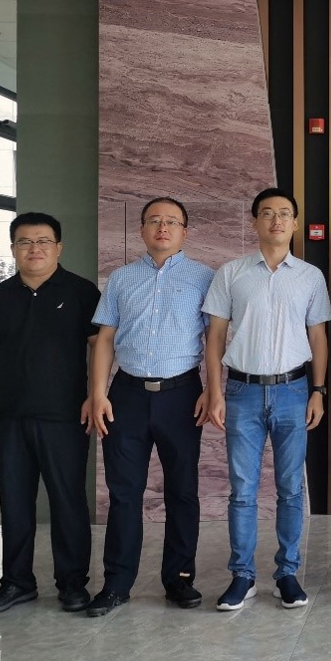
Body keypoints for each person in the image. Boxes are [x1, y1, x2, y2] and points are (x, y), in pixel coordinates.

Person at [81, 197, 215, 616]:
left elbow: (215, 339)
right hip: (127, 396)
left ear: (184, 232)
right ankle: (116, 584)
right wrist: (98, 393)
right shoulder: (121, 279)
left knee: (182, 490)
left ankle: (179, 579)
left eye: (171, 221)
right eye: (154, 220)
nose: (162, 227)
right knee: (124, 492)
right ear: (141, 230)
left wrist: (213, 389)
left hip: (182, 395)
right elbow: (104, 339)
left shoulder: (204, 278)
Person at [202, 189, 331, 611]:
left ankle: (287, 574)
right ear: (255, 221)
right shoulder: (232, 273)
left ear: (295, 223)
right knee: (242, 489)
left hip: (294, 391)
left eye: (285, 214)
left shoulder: (309, 276)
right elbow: (215, 336)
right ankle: (242, 576)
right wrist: (215, 391)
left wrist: (318, 391)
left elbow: (318, 336)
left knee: (291, 488)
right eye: (268, 213)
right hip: (241, 392)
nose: (276, 220)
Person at [0, 212, 101, 616]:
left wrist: (95, 396)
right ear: (13, 249)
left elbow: (100, 347)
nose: (34, 249)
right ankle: (16, 583)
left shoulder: (81, 292)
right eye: (25, 242)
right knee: (13, 501)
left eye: (43, 241)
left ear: (58, 247)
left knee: (68, 501)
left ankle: (72, 583)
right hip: (8, 418)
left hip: (65, 417)